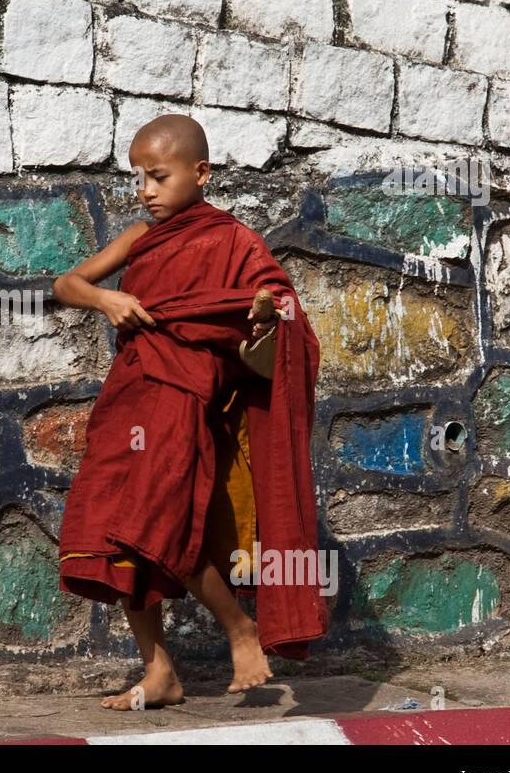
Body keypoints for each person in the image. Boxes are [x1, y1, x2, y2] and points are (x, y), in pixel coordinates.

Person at [53, 114, 327, 709]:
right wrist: (107, 298)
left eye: (157, 176)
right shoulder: (136, 237)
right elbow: (66, 283)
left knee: (158, 522)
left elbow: (280, 307)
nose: (145, 190)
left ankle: (240, 629)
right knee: (115, 526)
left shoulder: (232, 239)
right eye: (138, 178)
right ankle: (158, 671)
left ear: (200, 174)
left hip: (183, 396)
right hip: (129, 392)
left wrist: (259, 317)